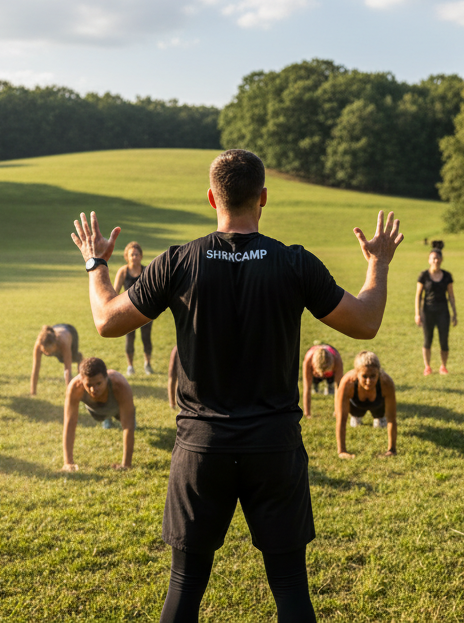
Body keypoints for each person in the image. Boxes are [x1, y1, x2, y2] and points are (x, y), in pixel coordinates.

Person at [70, 148, 402, 623]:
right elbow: (366, 321)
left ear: (211, 198)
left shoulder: (179, 261)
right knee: (290, 588)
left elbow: (106, 320)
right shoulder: (294, 263)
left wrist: (95, 263)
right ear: (263, 198)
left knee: (184, 588)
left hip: (201, 448)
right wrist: (380, 263)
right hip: (275, 448)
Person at [61, 357, 136, 471]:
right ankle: (107, 419)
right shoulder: (75, 387)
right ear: (82, 381)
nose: (93, 389)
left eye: (98, 383)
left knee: (130, 422)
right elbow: (69, 423)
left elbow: (128, 426)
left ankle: (112, 417)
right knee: (102, 417)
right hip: (95, 412)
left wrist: (126, 464)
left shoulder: (119, 385)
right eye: (89, 385)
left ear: (106, 378)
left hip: (116, 409)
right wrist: (67, 462)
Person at [334, 351, 397, 458]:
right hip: (355, 407)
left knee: (381, 420)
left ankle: (379, 418)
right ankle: (356, 417)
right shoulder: (347, 383)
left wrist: (392, 450)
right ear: (356, 373)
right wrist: (342, 451)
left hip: (378, 406)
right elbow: (341, 419)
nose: (369, 381)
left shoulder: (386, 383)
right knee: (355, 416)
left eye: (373, 376)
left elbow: (391, 418)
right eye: (364, 376)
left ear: (378, 373)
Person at [414, 240, 456, 376]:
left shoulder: (447, 276)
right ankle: (427, 366)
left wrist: (454, 313)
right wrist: (417, 314)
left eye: (438, 258)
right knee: (428, 339)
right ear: (429, 260)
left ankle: (443, 366)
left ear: (441, 259)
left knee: (444, 340)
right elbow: (418, 296)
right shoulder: (423, 276)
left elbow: (451, 296)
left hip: (443, 312)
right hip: (427, 312)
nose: (436, 260)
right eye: (433, 258)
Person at [114, 241, 154, 376]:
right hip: (128, 312)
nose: (134, 257)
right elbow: (115, 292)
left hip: (145, 311)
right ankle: (130, 366)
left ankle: (147, 364)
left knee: (146, 337)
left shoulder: (147, 270)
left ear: (141, 256)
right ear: (127, 256)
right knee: (129, 338)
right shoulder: (123, 272)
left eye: (137, 254)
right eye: (132, 255)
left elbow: (153, 291)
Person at [30, 324, 82, 393]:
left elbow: (67, 370)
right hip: (55, 329)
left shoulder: (63, 343)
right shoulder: (39, 344)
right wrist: (33, 392)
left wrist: (69, 393)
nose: (47, 354)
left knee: (73, 358)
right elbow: (35, 368)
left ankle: (80, 358)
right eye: (45, 351)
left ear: (55, 344)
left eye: (49, 351)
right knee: (61, 358)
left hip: (70, 331)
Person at [301, 342, 344, 418]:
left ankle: (329, 385)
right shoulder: (308, 359)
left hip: (331, 374)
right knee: (313, 383)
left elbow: (339, 388)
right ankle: (316, 385)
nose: (323, 374)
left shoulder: (337, 359)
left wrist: (337, 411)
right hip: (315, 374)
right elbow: (307, 388)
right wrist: (307, 414)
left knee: (334, 385)